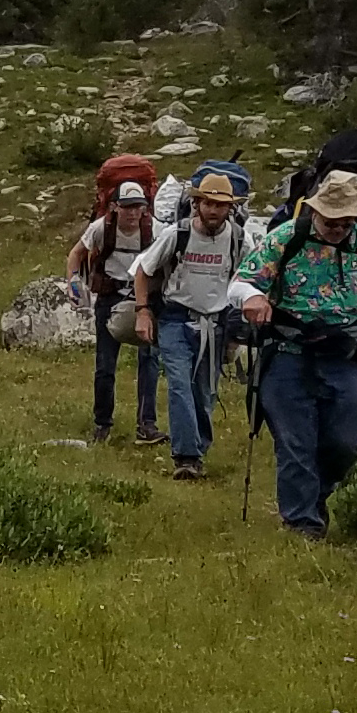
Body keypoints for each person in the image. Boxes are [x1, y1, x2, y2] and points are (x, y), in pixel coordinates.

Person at [226, 167, 357, 534]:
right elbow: (241, 283)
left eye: (345, 221)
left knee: (348, 441)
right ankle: (302, 526)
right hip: (287, 351)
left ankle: (316, 497)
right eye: (331, 219)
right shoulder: (286, 238)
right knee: (295, 441)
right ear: (316, 211)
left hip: (345, 354)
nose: (337, 227)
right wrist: (252, 298)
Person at [134, 161, 247, 480]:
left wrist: (239, 330)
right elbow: (144, 270)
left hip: (216, 324)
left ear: (230, 208)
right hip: (175, 319)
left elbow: (248, 278)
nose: (213, 210)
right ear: (196, 203)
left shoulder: (239, 239)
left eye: (221, 205)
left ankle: (198, 446)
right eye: (208, 203)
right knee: (180, 386)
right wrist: (143, 311)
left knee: (205, 391)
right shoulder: (177, 234)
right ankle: (186, 457)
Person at [72, 172, 164, 443]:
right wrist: (73, 281)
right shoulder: (102, 227)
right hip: (110, 297)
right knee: (105, 364)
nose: (133, 213)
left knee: (149, 360)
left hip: (145, 299)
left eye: (138, 206)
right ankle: (102, 424)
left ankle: (146, 424)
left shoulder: (156, 229)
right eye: (127, 206)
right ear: (115, 206)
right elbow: (76, 253)